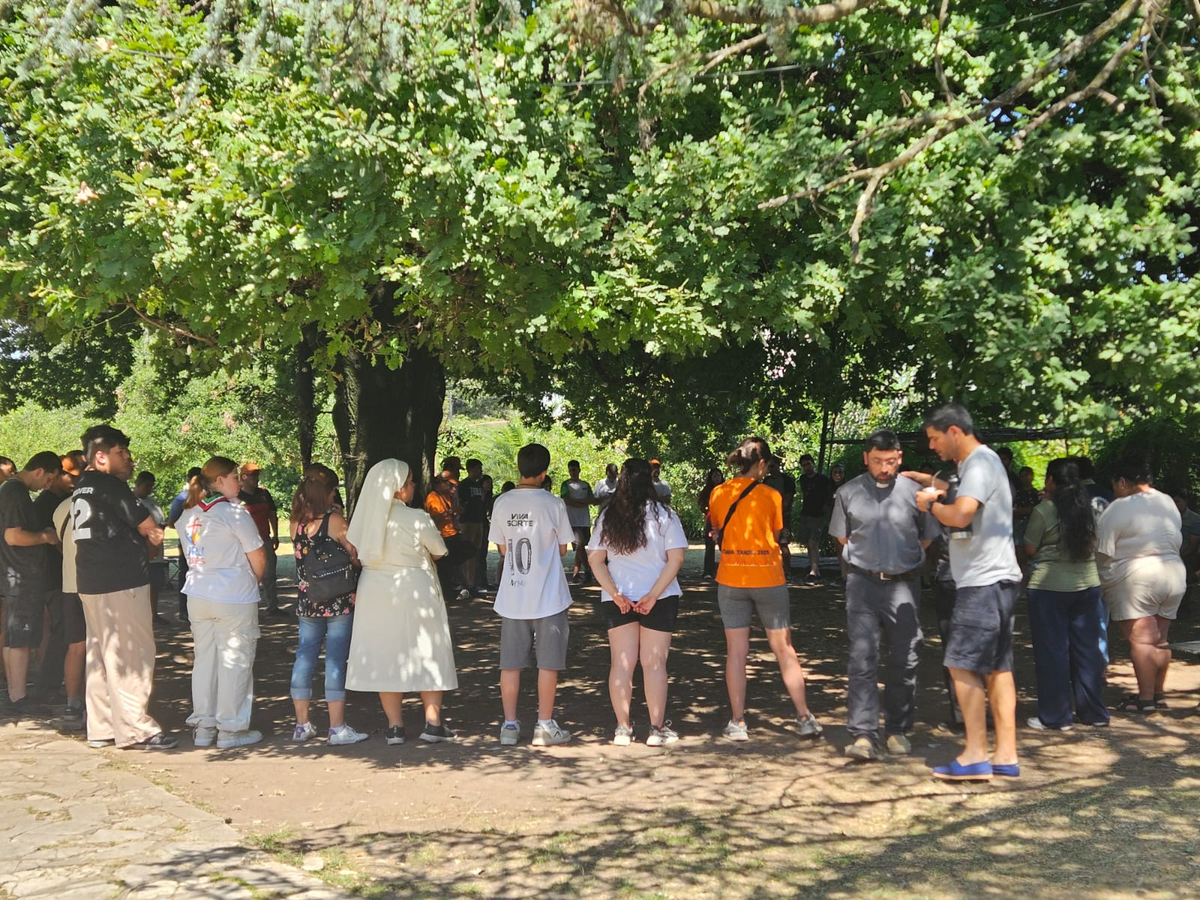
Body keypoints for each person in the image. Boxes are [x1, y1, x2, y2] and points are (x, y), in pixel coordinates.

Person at [905, 403, 1021, 781]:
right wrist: (926, 480)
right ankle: (1006, 754)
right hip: (999, 580)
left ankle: (974, 755)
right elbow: (957, 490)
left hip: (982, 581)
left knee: (961, 663)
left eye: (935, 439)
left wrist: (931, 504)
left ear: (954, 431)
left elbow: (961, 514)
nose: (933, 446)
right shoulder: (979, 465)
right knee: (998, 668)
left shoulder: (979, 463)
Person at [829, 430, 936, 761]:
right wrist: (869, 560)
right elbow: (842, 538)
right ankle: (863, 734)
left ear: (900, 458)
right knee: (862, 658)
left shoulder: (916, 493)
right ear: (866, 458)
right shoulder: (847, 492)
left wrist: (900, 560)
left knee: (905, 658)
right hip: (862, 585)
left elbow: (928, 537)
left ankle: (898, 729)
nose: (884, 468)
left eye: (890, 461)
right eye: (877, 461)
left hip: (904, 584)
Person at [708, 437, 821, 742]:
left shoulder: (718, 493)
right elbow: (775, 533)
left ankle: (737, 721)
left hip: (731, 579)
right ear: (761, 464)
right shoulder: (771, 495)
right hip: (769, 578)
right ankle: (804, 717)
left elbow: (718, 530)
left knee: (736, 653)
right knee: (784, 649)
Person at [71, 426, 174, 749]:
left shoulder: (82, 486)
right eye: (121, 454)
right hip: (122, 580)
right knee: (132, 655)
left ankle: (102, 726)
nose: (129, 460)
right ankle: (136, 728)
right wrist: (154, 539)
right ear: (101, 457)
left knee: (101, 654)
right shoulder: (110, 487)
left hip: (90, 580)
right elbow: (149, 528)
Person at [345, 459, 458, 745]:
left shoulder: (364, 520)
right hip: (414, 587)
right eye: (408, 482)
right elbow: (439, 550)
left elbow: (357, 553)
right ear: (396, 489)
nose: (413, 486)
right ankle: (433, 723)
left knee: (385, 652)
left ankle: (395, 726)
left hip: (375, 589)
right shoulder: (416, 517)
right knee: (427, 648)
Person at [588, 458, 687, 747]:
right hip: (660, 598)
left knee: (621, 662)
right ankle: (656, 729)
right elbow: (677, 558)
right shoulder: (665, 515)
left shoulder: (608, 516)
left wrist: (615, 593)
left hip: (619, 599)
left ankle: (622, 728)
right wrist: (654, 594)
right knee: (654, 663)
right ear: (651, 481)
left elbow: (595, 559)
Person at [177, 457, 267, 749]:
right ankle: (231, 729)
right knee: (235, 660)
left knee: (205, 660)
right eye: (233, 476)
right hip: (232, 595)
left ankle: (204, 726)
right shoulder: (234, 513)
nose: (239, 482)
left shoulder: (187, 513)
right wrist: (255, 581)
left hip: (198, 593)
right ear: (218, 481)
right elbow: (258, 555)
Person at [489, 443, 574, 747]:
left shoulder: (502, 502)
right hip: (550, 594)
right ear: (544, 472)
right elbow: (564, 549)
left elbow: (500, 548)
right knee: (547, 663)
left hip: (512, 596)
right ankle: (544, 725)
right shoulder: (553, 504)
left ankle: (509, 726)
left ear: (519, 468)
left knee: (510, 664)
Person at [1096, 449, 1187, 712]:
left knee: (1142, 641)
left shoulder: (1119, 507)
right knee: (1160, 639)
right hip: (1173, 573)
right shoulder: (1167, 501)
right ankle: (1157, 694)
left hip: (1136, 577)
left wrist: (1104, 580)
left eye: (1115, 484)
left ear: (1122, 481)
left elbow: (1103, 551)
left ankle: (1145, 699)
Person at [1023, 458, 1109, 731]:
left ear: (1051, 480)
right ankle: (1093, 712)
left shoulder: (1044, 510)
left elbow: (1029, 549)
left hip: (1049, 588)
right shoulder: (1091, 508)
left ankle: (1056, 716)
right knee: (1088, 650)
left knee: (1053, 651)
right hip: (1087, 584)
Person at [288, 465, 369, 745]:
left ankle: (302, 725)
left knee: (304, 657)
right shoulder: (335, 521)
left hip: (307, 600)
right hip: (338, 602)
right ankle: (336, 728)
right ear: (329, 492)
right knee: (335, 659)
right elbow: (356, 555)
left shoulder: (295, 522)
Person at [0, 451, 63, 716]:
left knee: (15, 636)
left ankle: (15, 693)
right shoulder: (16, 493)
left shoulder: (10, 490)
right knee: (21, 638)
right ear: (39, 471)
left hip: (16, 575)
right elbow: (14, 536)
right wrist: (45, 537)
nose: (47, 487)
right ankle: (19, 697)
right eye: (49, 479)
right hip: (22, 576)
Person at [49, 454, 88, 732]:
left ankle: (72, 704)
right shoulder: (103, 503)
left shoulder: (62, 508)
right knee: (101, 646)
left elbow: (62, 544)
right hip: (98, 585)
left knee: (75, 647)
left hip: (69, 584)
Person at [238, 462, 281, 615]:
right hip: (245, 542)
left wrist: (275, 535)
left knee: (269, 574)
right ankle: (250, 608)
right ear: (243, 477)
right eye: (252, 475)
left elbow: (272, 514)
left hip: (264, 539)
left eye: (257, 475)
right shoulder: (235, 496)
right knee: (248, 576)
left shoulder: (264, 493)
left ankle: (272, 606)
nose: (256, 478)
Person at [425, 474, 471, 601]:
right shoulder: (432, 497)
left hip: (452, 533)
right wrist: (450, 512)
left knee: (457, 561)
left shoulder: (446, 497)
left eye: (454, 485)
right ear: (440, 483)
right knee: (447, 566)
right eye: (450, 485)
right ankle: (453, 591)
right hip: (441, 535)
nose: (453, 488)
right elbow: (433, 518)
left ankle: (457, 589)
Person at [132, 471, 170, 626]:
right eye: (146, 486)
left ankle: (154, 614)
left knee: (154, 586)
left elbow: (162, 524)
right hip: (137, 553)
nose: (149, 490)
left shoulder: (153, 504)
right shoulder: (129, 502)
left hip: (156, 552)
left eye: (151, 487)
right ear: (138, 483)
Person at [167, 466, 203, 624]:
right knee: (186, 574)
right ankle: (184, 610)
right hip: (188, 542)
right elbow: (171, 523)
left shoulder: (207, 498)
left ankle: (198, 609)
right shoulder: (181, 499)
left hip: (204, 542)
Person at [796, 454, 833, 583]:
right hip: (806, 513)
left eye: (808, 464)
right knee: (807, 543)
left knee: (813, 542)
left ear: (813, 463)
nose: (806, 467)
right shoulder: (803, 479)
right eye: (804, 465)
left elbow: (827, 497)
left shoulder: (823, 480)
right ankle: (813, 567)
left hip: (819, 515)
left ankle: (814, 570)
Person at [560, 460, 595, 584]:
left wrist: (579, 502)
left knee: (581, 547)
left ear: (579, 470)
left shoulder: (585, 485)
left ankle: (576, 573)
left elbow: (591, 499)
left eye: (574, 469)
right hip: (572, 520)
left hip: (584, 520)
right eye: (570, 470)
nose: (573, 472)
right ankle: (588, 570)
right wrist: (582, 502)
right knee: (579, 545)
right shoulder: (566, 484)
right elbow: (567, 500)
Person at [764, 456, 797, 581]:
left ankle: (787, 570)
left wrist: (778, 513)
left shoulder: (787, 480)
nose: (770, 469)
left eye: (772, 466)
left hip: (784, 517)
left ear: (778, 465)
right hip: (768, 518)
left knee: (783, 544)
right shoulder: (766, 481)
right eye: (768, 467)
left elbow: (787, 500)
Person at [459, 459, 488, 593]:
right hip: (468, 522)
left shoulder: (478, 486)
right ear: (470, 469)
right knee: (467, 552)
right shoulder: (464, 485)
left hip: (479, 522)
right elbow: (462, 503)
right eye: (478, 469)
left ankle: (473, 582)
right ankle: (467, 583)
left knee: (476, 552)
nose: (480, 472)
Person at [697, 468, 725, 581]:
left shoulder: (726, 489)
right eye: (714, 475)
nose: (716, 477)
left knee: (725, 545)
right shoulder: (706, 491)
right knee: (710, 546)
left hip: (725, 520)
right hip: (711, 520)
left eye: (718, 475)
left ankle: (725, 570)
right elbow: (701, 504)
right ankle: (708, 571)